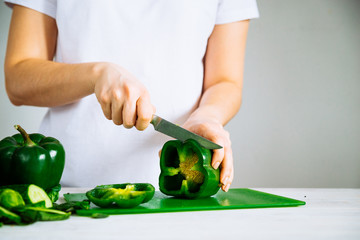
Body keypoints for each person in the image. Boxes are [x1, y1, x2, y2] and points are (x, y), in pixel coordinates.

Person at [4, 0, 259, 192]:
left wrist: (209, 116)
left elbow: (225, 81)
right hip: (67, 189)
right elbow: (19, 78)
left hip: (180, 198)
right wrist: (95, 75)